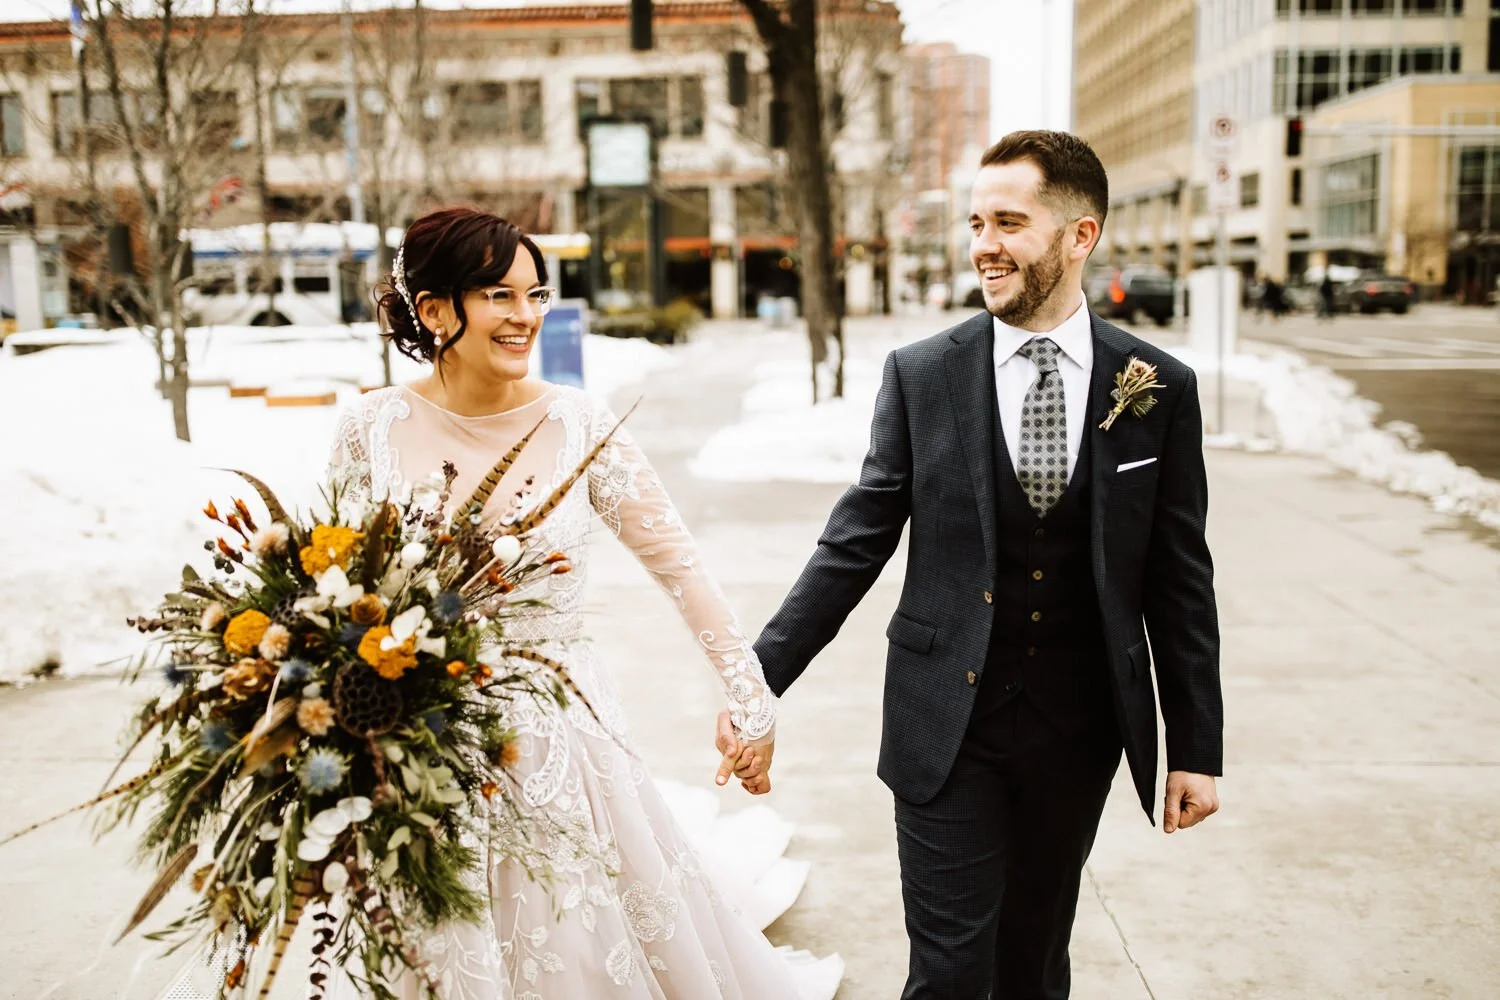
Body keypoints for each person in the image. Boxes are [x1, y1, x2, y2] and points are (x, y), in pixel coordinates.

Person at [163, 207, 841, 999]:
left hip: (558, 740)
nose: (526, 316)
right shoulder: (370, 428)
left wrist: (749, 694)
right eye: (499, 295)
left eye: (536, 294)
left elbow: (681, 569)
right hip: (418, 736)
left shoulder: (579, 423)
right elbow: (339, 585)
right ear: (435, 309)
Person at [744, 131, 1224, 999]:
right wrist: (758, 677)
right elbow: (856, 540)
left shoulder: (1158, 386)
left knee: (1035, 964)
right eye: (976, 222)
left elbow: (1178, 575)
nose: (983, 245)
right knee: (952, 972)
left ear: (1080, 236)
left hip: (1080, 732)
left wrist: (1195, 744)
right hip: (944, 726)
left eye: (1009, 221)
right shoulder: (923, 374)